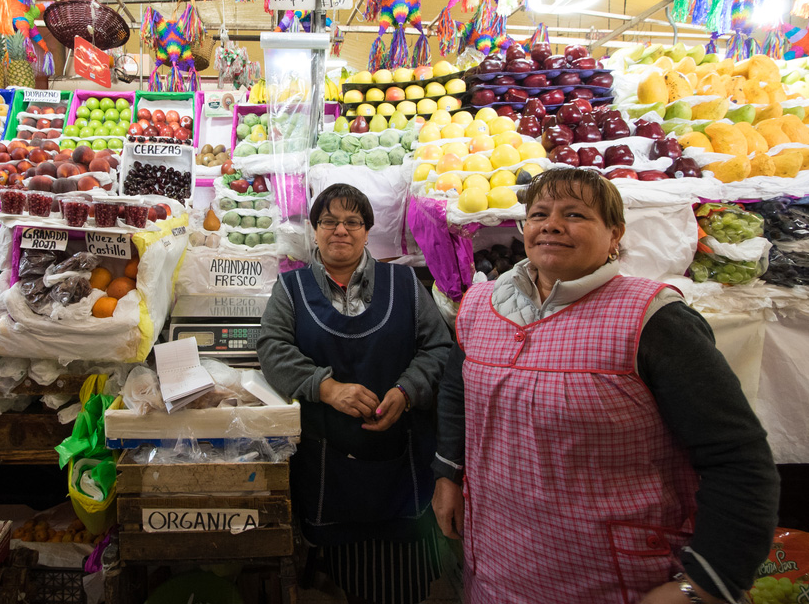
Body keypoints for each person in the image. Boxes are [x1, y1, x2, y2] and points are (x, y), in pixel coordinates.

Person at [432, 168, 780, 604]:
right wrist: (448, 473)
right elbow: (457, 392)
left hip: (617, 576)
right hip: (499, 560)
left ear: (615, 234)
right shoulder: (481, 306)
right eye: (539, 214)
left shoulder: (655, 320)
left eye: (574, 214)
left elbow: (737, 456)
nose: (552, 224)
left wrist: (707, 584)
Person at [258, 183, 452, 604]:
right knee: (350, 572)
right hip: (329, 458)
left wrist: (407, 389)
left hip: (402, 455)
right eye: (329, 221)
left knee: (407, 576)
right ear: (315, 230)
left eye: (352, 222)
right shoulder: (290, 290)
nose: (339, 230)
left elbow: (438, 347)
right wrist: (324, 387)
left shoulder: (404, 282)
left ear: (367, 231)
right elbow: (272, 349)